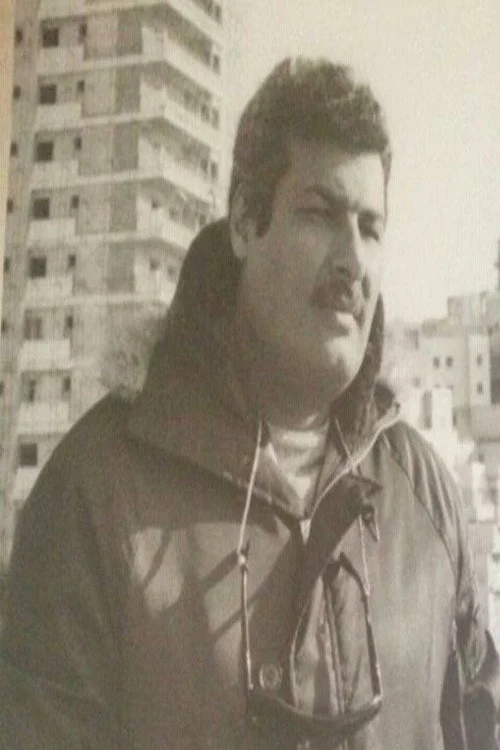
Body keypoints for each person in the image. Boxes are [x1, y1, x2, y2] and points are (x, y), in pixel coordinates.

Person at [0, 57, 499, 750]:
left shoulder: (428, 500)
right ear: (242, 222)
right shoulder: (96, 491)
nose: (353, 260)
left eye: (371, 227)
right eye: (320, 214)